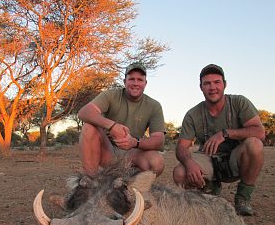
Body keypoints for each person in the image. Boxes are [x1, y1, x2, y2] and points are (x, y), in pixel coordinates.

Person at [173, 64, 265, 216]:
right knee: (180, 173)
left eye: (217, 82)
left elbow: (259, 132)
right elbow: (182, 147)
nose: (212, 87)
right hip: (209, 160)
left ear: (225, 84)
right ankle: (209, 189)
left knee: (255, 144)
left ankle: (243, 198)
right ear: (201, 87)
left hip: (236, 160)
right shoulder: (192, 114)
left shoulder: (239, 102)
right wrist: (189, 164)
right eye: (207, 83)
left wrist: (226, 133)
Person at [78, 62, 165, 177]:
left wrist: (134, 142)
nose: (135, 83)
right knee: (88, 127)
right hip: (108, 152)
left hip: (133, 153)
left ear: (145, 83)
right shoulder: (111, 94)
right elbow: (84, 112)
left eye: (140, 80)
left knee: (157, 162)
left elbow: (159, 140)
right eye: (131, 79)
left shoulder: (154, 105)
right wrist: (112, 126)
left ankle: (133, 186)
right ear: (124, 82)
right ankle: (91, 181)